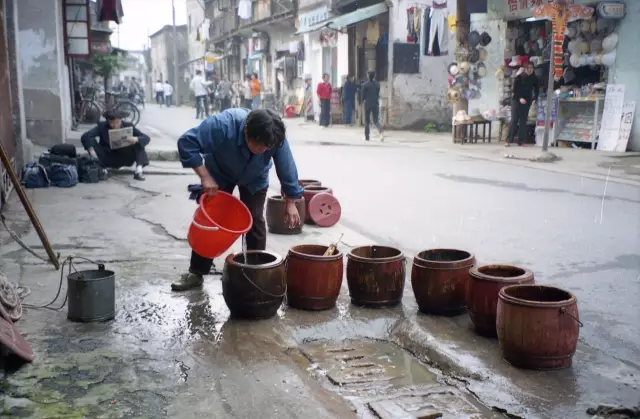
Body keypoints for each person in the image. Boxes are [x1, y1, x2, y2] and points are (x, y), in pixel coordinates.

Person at [174, 108, 303, 291]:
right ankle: (196, 272)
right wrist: (204, 176)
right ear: (246, 132)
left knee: (255, 221)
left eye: (267, 148)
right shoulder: (223, 125)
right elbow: (187, 142)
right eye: (259, 146)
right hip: (219, 173)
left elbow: (287, 167)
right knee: (213, 221)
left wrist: (291, 202)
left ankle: (255, 273)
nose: (263, 151)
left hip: (255, 178)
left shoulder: (274, 136)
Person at [80, 109, 151, 181]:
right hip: (107, 157)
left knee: (139, 142)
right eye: (112, 123)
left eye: (117, 122)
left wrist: (136, 139)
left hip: (124, 157)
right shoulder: (102, 126)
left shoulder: (128, 126)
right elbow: (86, 136)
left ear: (121, 120)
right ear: (108, 121)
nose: (115, 125)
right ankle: (101, 169)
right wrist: (91, 150)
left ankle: (138, 171)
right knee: (90, 141)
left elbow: (146, 138)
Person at [507, 63, 539, 147]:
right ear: (524, 69)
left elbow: (537, 90)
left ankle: (521, 141)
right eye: (528, 68)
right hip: (517, 100)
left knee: (523, 121)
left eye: (531, 68)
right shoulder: (520, 77)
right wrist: (520, 98)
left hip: (527, 101)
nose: (530, 69)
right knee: (514, 120)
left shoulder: (534, 78)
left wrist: (534, 99)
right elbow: (515, 90)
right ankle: (508, 140)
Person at [361, 70, 383, 141]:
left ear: (368, 75)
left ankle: (367, 136)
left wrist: (362, 101)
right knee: (376, 120)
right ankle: (381, 134)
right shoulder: (377, 84)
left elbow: (363, 96)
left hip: (367, 103)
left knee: (367, 121)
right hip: (375, 103)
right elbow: (377, 94)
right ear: (374, 75)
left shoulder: (364, 85)